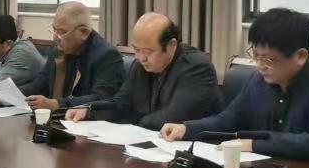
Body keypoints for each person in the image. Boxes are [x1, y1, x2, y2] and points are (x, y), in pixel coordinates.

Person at [161, 8, 309, 161]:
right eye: (256, 55)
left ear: (300, 56)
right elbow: (229, 120)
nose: (260, 65)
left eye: (268, 59)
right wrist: (187, 129)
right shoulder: (257, 81)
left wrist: (254, 144)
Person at [66, 13, 222, 130]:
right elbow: (121, 103)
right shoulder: (140, 65)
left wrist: (133, 125)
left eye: (148, 52)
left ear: (172, 45)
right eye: (136, 49)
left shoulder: (196, 67)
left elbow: (174, 116)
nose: (141, 58)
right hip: (151, 145)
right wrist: (89, 110)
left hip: (193, 150)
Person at [20, 2, 125, 111]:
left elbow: (102, 98)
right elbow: (38, 86)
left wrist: (57, 104)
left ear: (83, 32)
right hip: (55, 117)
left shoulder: (107, 56)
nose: (55, 38)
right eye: (54, 30)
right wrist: (11, 94)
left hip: (87, 119)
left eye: (62, 32)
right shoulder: (58, 50)